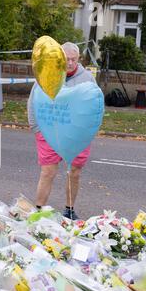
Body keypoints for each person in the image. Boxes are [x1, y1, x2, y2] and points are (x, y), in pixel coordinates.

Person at [27, 42, 97, 220]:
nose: (70, 63)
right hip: (50, 129)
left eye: (74, 59)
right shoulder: (48, 74)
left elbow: (94, 105)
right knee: (48, 171)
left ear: (79, 59)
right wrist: (36, 128)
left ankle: (69, 210)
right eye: (67, 59)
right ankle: (39, 210)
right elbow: (33, 102)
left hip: (77, 132)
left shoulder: (87, 78)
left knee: (74, 172)